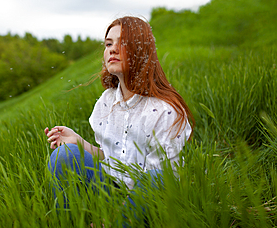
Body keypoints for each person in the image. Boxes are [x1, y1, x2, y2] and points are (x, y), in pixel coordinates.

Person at [44, 16, 194, 224]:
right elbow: (113, 158)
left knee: (157, 179)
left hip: (147, 203)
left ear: (142, 51)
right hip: (112, 192)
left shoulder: (164, 110)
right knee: (65, 155)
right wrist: (79, 142)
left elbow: (165, 179)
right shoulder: (107, 102)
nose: (112, 49)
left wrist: (115, 218)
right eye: (108, 44)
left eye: (122, 43)